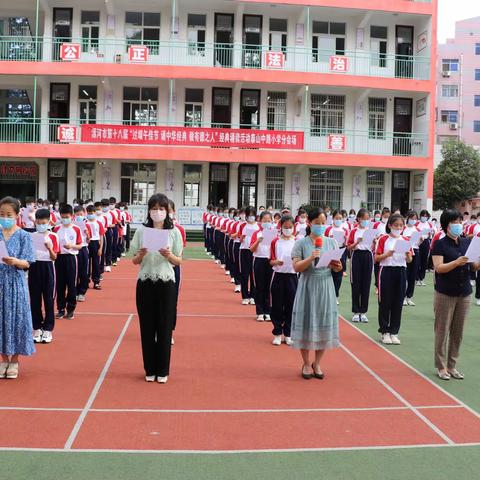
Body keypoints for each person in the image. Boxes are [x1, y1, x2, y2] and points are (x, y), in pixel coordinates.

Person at [131, 193, 183, 384]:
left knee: (164, 326)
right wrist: (142, 254)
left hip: (166, 282)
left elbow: (178, 261)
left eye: (161, 209)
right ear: (149, 211)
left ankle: (163, 369)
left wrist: (169, 255)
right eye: (154, 208)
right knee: (147, 326)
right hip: (145, 282)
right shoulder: (141, 231)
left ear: (167, 211)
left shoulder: (174, 232)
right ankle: (149, 368)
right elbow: (134, 261)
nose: (158, 212)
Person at [291, 207, 342, 380]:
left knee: (323, 322)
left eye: (323, 223)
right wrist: (311, 258)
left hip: (325, 285)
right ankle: (306, 362)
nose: (320, 226)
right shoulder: (300, 243)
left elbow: (337, 267)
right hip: (308, 284)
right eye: (317, 223)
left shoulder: (331, 242)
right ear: (309, 223)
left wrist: (337, 267)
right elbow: (296, 267)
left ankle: (317, 363)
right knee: (306, 323)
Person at [431, 209, 480, 381]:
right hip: (445, 292)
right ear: (446, 225)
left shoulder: (467, 242)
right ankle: (441, 366)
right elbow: (439, 268)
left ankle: (452, 365)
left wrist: (477, 263)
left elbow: (473, 266)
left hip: (464, 292)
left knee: (458, 332)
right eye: (454, 222)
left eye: (460, 221)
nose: (458, 225)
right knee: (442, 330)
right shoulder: (439, 244)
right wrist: (456, 262)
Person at [0, 196, 36, 379]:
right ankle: (3, 359)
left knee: (17, 319)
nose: (4, 217)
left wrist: (15, 261)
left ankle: (14, 360)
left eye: (8, 214)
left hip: (15, 282)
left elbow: (28, 262)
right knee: (1, 320)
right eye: (1, 214)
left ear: (16, 215)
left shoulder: (24, 235)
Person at [375, 214, 413, 345]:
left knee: (398, 303)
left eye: (401, 226)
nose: (398, 228)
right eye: (396, 225)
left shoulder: (406, 239)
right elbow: (376, 258)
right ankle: (385, 331)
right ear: (390, 225)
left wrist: (408, 255)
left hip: (401, 271)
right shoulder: (383, 239)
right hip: (386, 270)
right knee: (385, 302)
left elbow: (409, 260)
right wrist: (387, 254)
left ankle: (394, 332)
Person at [29, 208, 60, 344]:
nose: (41, 225)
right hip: (34, 267)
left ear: (49, 222)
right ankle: (37, 328)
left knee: (48, 299)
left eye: (44, 222)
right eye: (39, 222)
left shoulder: (53, 236)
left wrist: (49, 248)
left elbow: (54, 257)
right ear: (35, 222)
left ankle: (47, 329)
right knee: (35, 300)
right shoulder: (31, 236)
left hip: (48, 268)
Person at [269, 215, 298, 346]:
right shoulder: (275, 241)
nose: (287, 229)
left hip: (292, 276)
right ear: (280, 227)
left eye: (290, 227)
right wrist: (277, 262)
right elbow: (270, 260)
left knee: (291, 305)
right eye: (285, 227)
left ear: (294, 227)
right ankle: (277, 333)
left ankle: (288, 333)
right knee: (277, 305)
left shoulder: (297, 241)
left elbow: (301, 259)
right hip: (278, 275)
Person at [54, 204, 83, 320]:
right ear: (60, 216)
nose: (65, 218)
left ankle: (70, 309)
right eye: (63, 216)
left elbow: (80, 245)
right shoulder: (56, 229)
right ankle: (61, 308)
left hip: (71, 258)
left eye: (67, 216)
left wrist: (72, 246)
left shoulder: (76, 229)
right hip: (59, 258)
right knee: (60, 284)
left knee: (71, 284)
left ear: (72, 216)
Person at [347, 208, 374, 323]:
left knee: (366, 284)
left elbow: (374, 246)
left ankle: (363, 312)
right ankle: (355, 311)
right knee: (356, 284)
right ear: (358, 219)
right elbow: (348, 247)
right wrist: (357, 242)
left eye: (367, 219)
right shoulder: (354, 231)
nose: (365, 221)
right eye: (363, 218)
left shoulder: (371, 230)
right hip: (357, 256)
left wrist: (375, 241)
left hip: (368, 256)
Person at [250, 211, 277, 322]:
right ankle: (260, 312)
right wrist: (258, 241)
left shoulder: (275, 233)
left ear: (272, 221)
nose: (267, 222)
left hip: (270, 261)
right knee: (259, 287)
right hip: (259, 260)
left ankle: (268, 311)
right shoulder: (257, 233)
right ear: (260, 221)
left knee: (269, 287)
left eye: (269, 221)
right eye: (264, 221)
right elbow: (251, 249)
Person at [168, 199, 186, 346]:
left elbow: (180, 253)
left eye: (168, 210)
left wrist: (171, 257)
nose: (164, 213)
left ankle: (169, 331)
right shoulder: (151, 228)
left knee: (171, 302)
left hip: (173, 269)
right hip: (156, 270)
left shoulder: (178, 229)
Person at [325, 210, 348, 304]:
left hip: (341, 251)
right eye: (336, 218)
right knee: (329, 273)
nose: (338, 220)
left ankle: (335, 295)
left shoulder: (345, 230)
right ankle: (328, 295)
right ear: (333, 219)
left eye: (340, 218)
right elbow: (324, 241)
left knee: (338, 274)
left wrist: (345, 241)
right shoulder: (328, 229)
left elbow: (346, 244)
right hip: (331, 251)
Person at [238, 206, 259, 305]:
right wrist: (243, 236)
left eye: (252, 215)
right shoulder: (243, 226)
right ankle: (245, 296)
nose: (251, 217)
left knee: (253, 274)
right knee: (244, 273)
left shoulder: (258, 226)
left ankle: (253, 296)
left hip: (254, 252)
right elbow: (240, 239)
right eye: (249, 215)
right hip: (244, 250)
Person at [402, 210, 421, 306]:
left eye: (415, 219)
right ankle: (403, 296)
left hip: (415, 251)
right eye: (411, 218)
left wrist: (420, 240)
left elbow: (418, 243)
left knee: (412, 275)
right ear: (407, 218)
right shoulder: (403, 228)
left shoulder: (417, 229)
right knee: (405, 274)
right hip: (405, 251)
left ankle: (409, 296)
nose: (413, 220)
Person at [85, 205, 104, 290]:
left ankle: (96, 282)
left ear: (95, 213)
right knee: (86, 263)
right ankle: (86, 281)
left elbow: (101, 236)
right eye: (88, 213)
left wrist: (100, 248)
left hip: (96, 243)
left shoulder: (98, 223)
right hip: (87, 243)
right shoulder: (84, 222)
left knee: (96, 263)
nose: (90, 215)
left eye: (91, 213)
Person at [74, 205, 89, 302]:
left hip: (83, 249)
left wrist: (87, 233)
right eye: (77, 214)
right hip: (74, 250)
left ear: (84, 214)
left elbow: (89, 240)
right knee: (75, 272)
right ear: (74, 215)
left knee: (83, 272)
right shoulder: (72, 225)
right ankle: (74, 292)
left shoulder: (86, 224)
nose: (79, 216)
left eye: (81, 214)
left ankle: (82, 292)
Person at [416, 209, 433, 286]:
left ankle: (422, 278)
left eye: (426, 216)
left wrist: (430, 234)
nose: (424, 217)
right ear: (420, 216)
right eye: (423, 216)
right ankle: (416, 278)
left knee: (424, 261)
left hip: (426, 242)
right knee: (417, 260)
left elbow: (431, 233)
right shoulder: (417, 224)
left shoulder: (429, 224)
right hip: (418, 242)